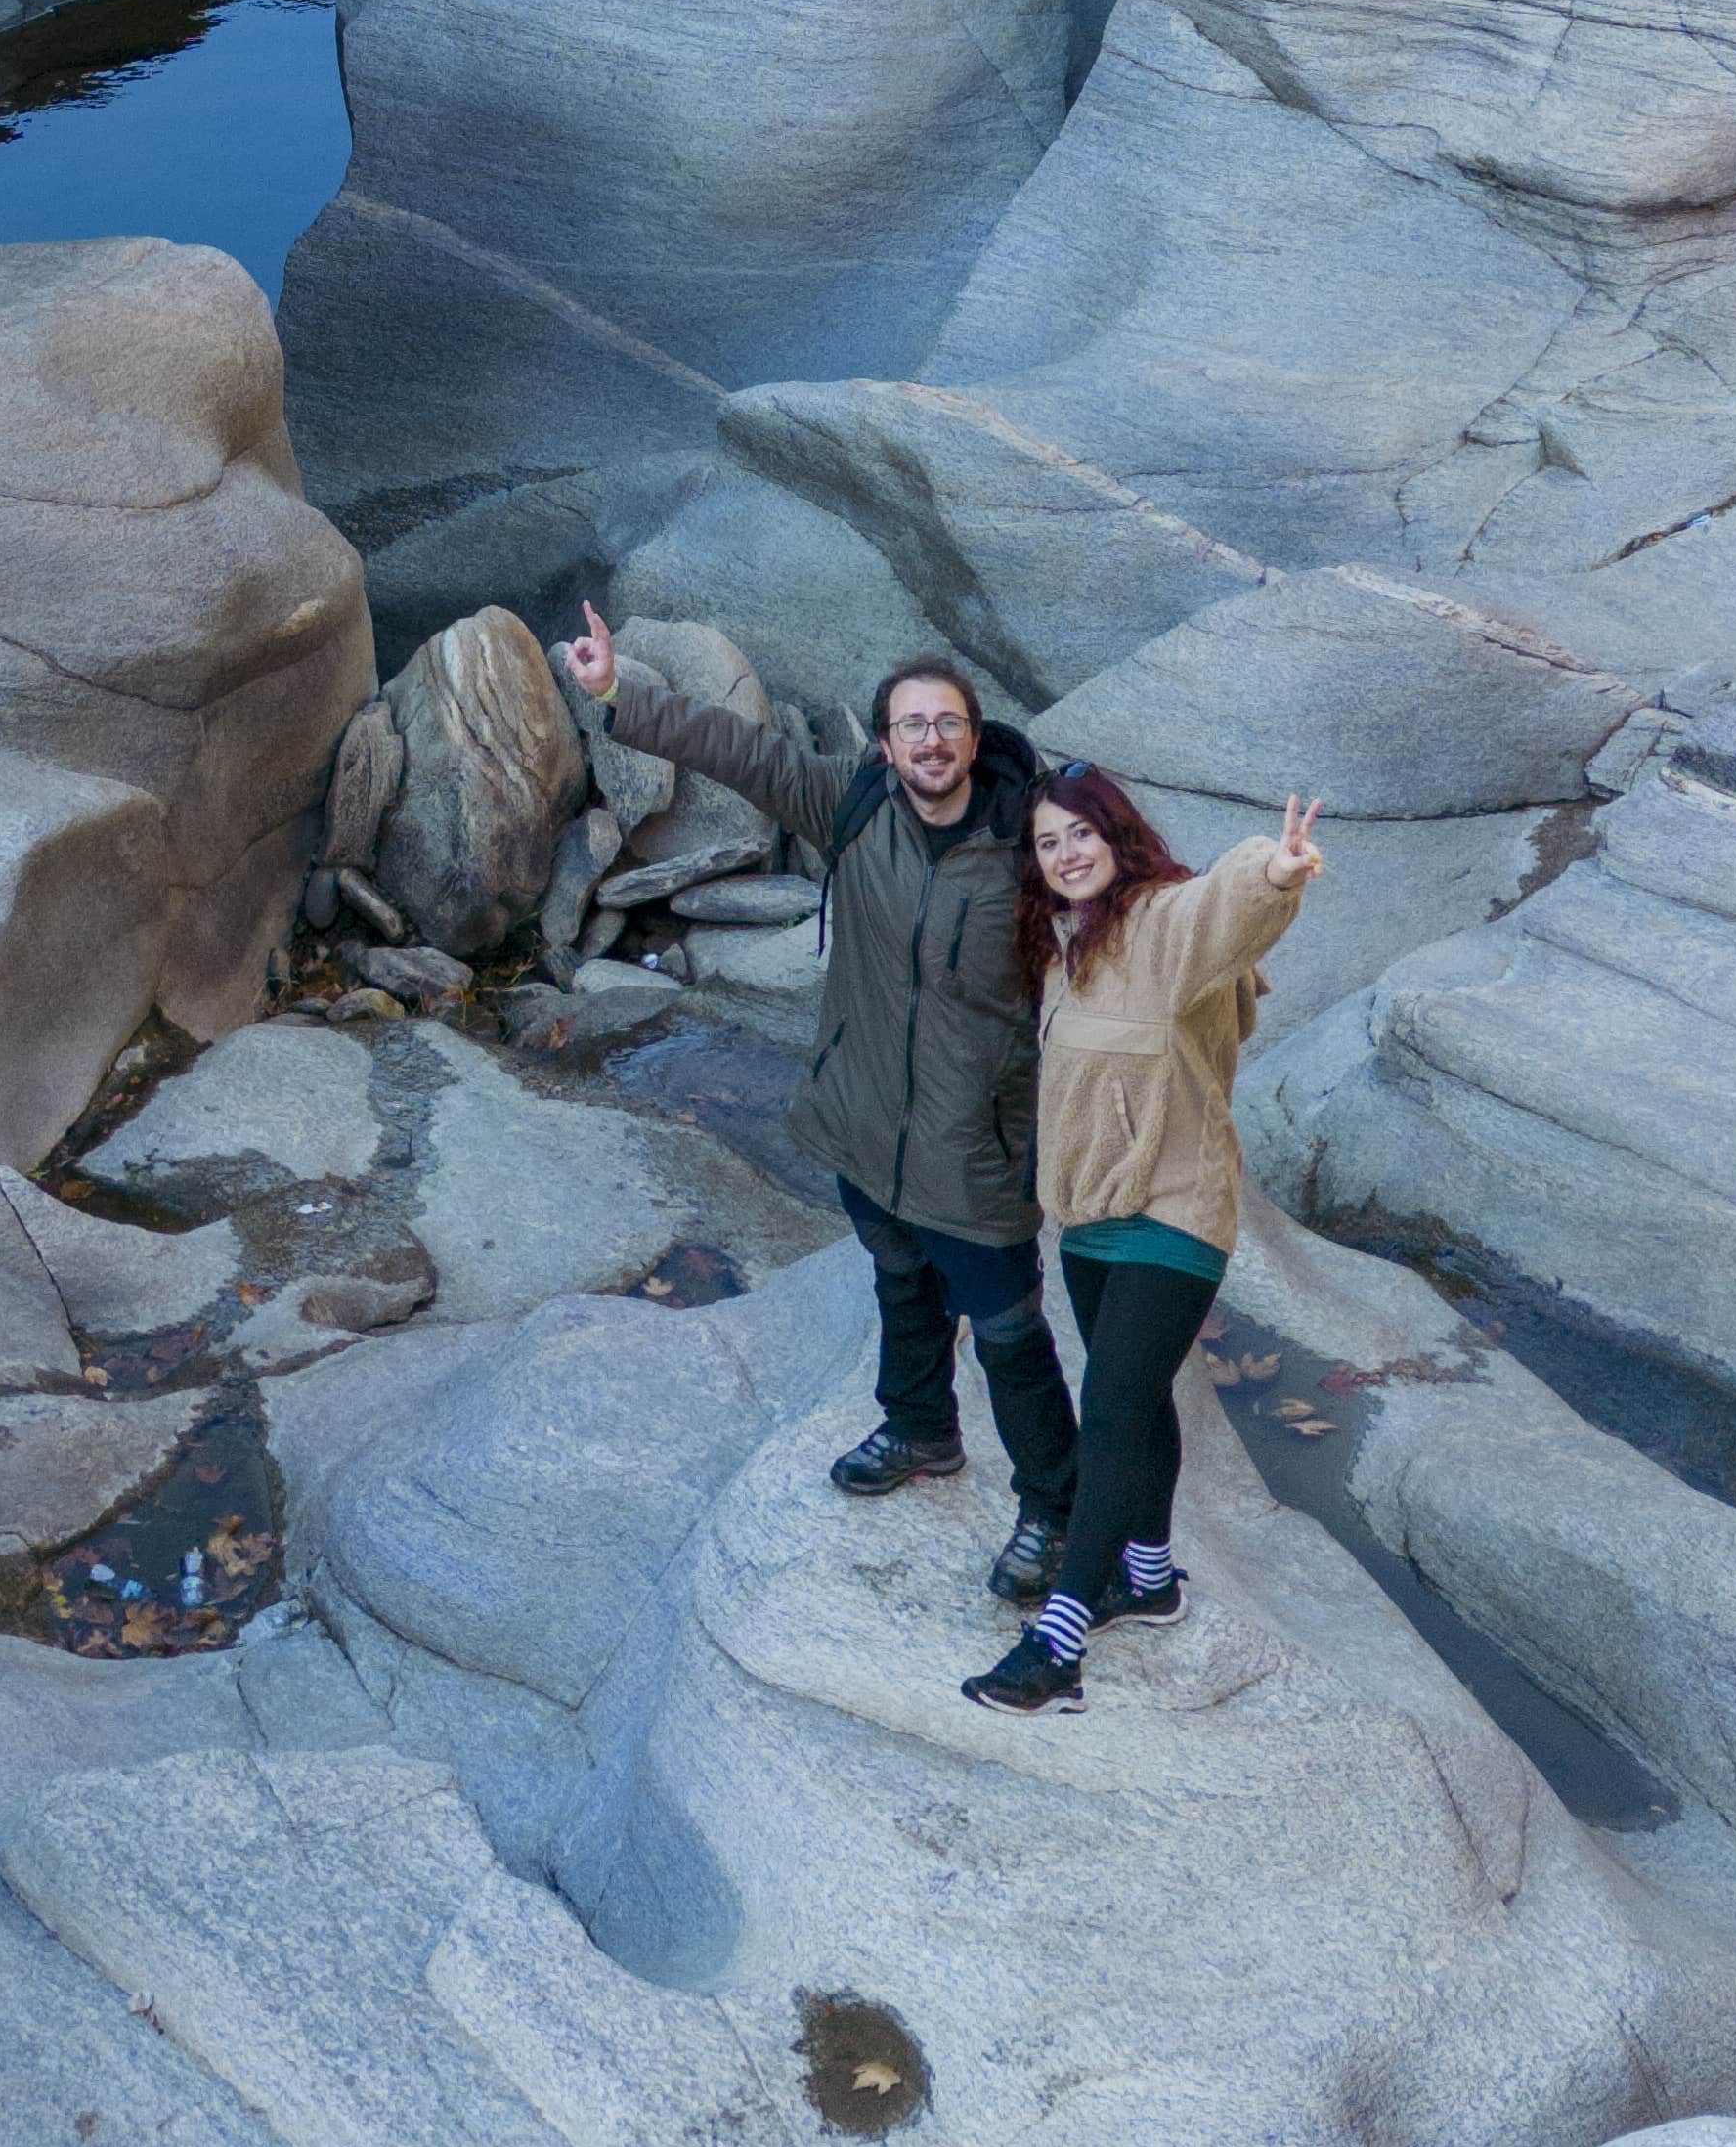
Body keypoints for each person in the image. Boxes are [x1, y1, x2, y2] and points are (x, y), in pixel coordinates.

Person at [560, 593, 1065, 1568]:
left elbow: (1124, 903)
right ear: (883, 745)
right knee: (900, 1281)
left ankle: (1052, 1508)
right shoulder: (854, 804)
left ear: (974, 736)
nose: (930, 739)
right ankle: (921, 1430)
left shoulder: (1029, 841)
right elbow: (744, 755)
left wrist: (1254, 902)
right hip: (868, 1113)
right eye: (912, 723)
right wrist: (619, 691)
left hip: (977, 1139)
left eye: (947, 723)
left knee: (1009, 1332)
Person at [964, 766, 1321, 1715]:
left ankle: (1062, 1642)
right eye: (1048, 842)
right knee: (1140, 1396)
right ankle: (1150, 1579)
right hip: (1093, 1218)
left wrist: (1274, 869)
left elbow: (1226, 907)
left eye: (1081, 834)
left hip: (1176, 1211)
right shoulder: (1062, 951)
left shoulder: (1165, 924)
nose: (1067, 854)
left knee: (1112, 1405)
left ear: (1117, 838)